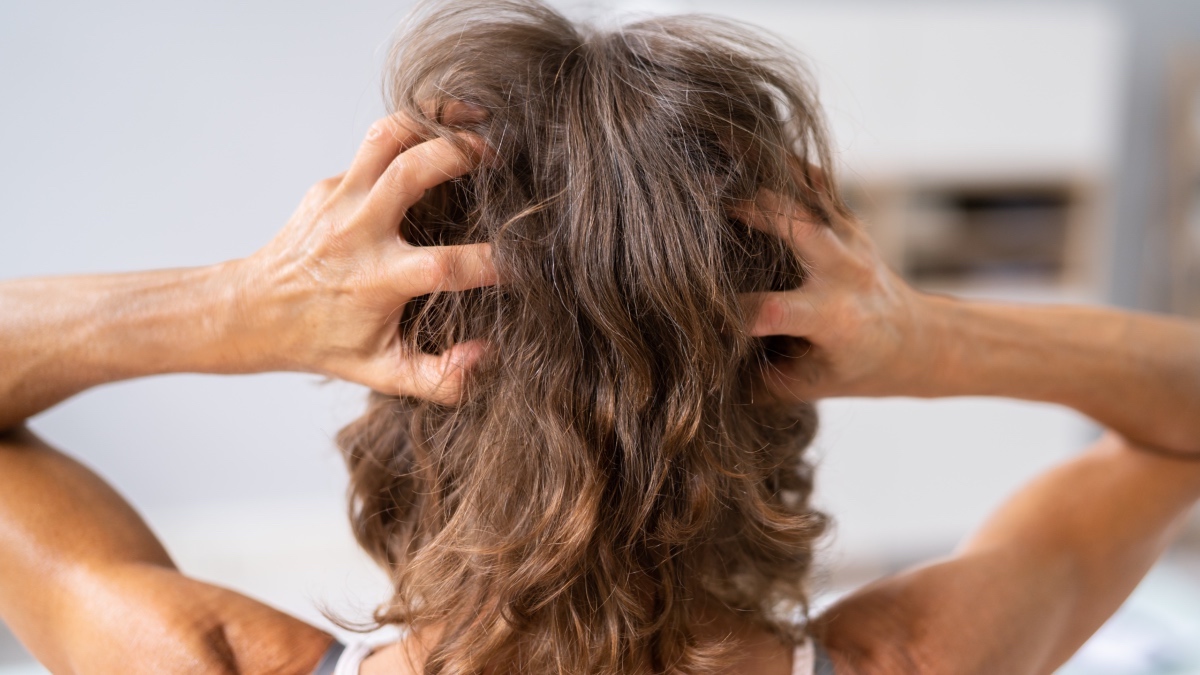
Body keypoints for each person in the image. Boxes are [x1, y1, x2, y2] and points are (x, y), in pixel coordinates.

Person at [2, 1, 1199, 673]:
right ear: (774, 397)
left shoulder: (206, 662)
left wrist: (236, 306)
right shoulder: (918, 659)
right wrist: (933, 339)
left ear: (395, 414)